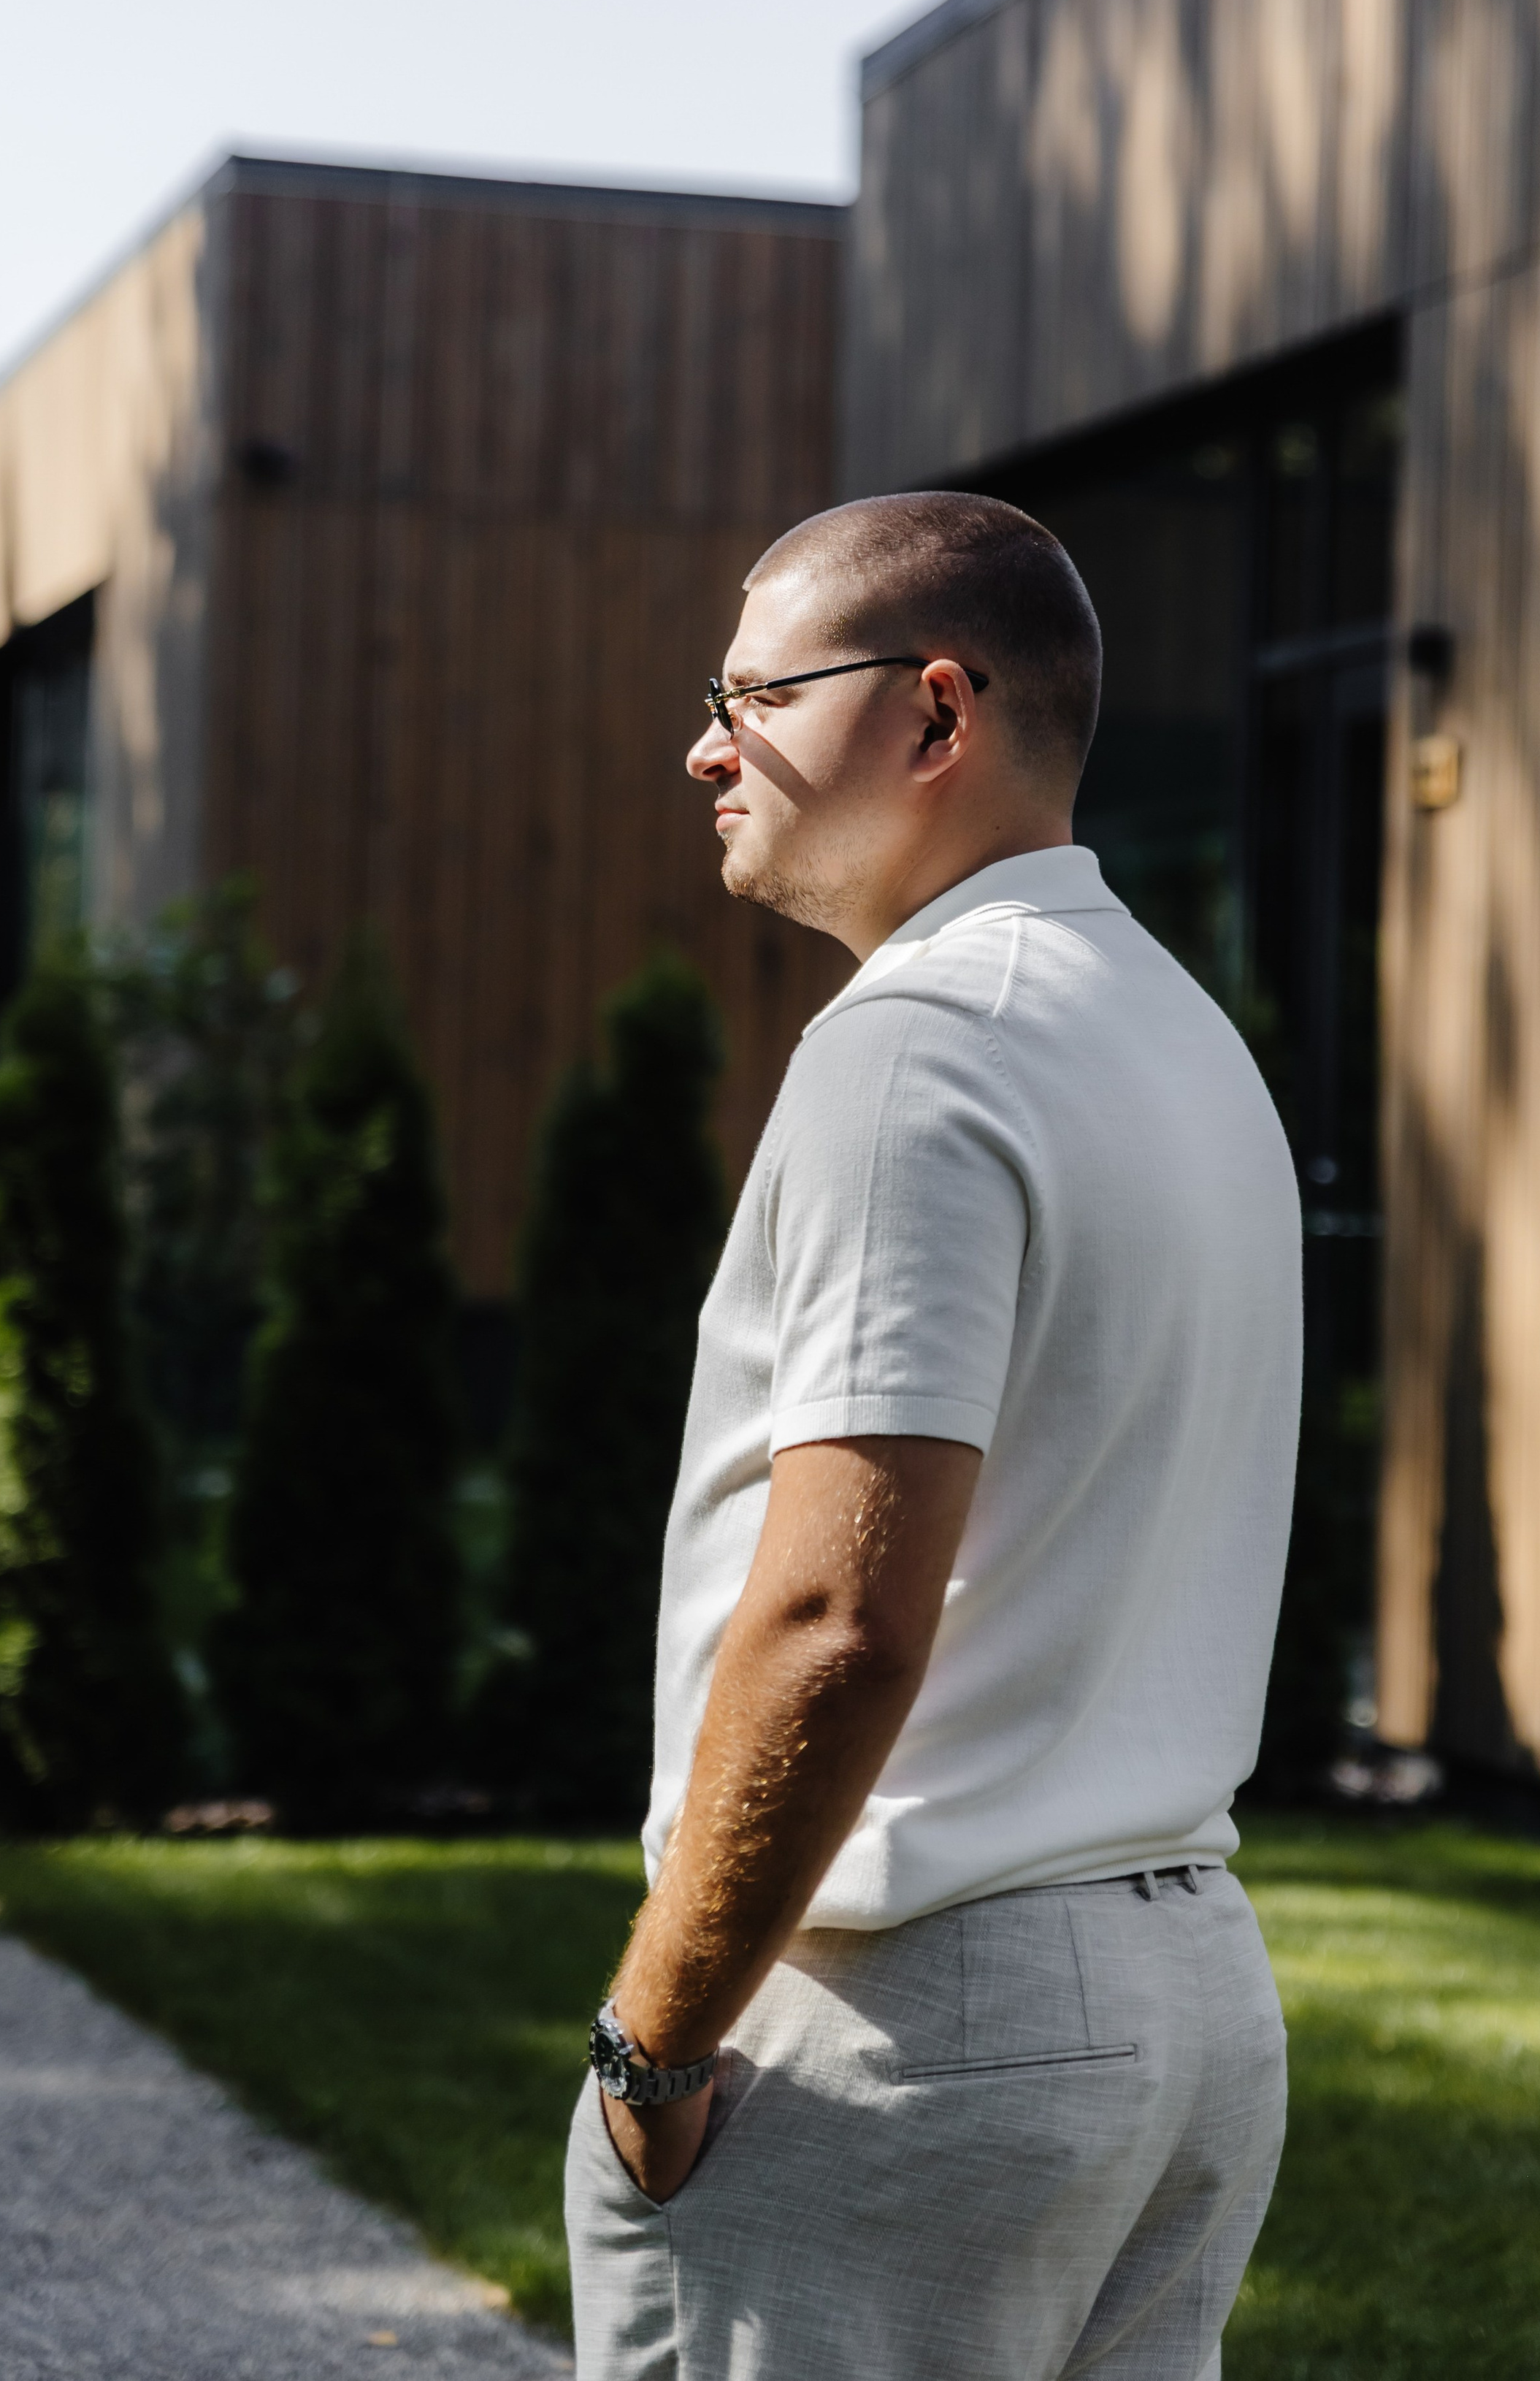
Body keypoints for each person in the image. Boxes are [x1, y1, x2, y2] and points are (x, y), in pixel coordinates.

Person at [564, 493, 1300, 2381]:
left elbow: (837, 1615)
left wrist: (652, 2035)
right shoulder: (1182, 1032)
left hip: (914, 2014)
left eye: (751, 694)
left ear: (936, 710)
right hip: (1192, 1995)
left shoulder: (918, 1044)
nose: (703, 745)